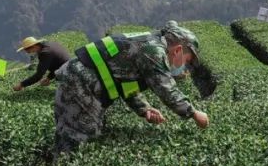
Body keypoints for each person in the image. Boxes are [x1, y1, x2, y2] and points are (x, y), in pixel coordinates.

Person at [52, 21, 210, 153]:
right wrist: (194, 113)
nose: (185, 65)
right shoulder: (153, 50)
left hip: (80, 80)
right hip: (80, 83)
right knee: (80, 136)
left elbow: (124, 81)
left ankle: (59, 163)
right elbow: (166, 89)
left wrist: (144, 108)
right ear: (178, 50)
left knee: (74, 133)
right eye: (187, 60)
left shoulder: (150, 42)